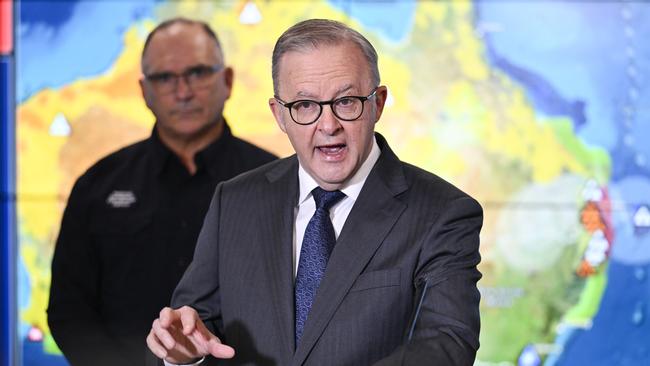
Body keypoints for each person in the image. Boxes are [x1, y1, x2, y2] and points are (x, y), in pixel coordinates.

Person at [147, 19, 482, 366]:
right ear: (280, 115)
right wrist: (182, 356)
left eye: (347, 101)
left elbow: (447, 343)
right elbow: (194, 327)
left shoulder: (443, 213)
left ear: (378, 104)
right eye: (305, 105)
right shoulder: (234, 202)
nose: (328, 125)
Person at [47, 18, 277, 366]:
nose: (183, 92)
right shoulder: (97, 185)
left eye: (198, 73)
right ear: (144, 91)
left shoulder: (277, 182)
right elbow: (69, 310)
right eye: (165, 78)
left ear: (227, 81)